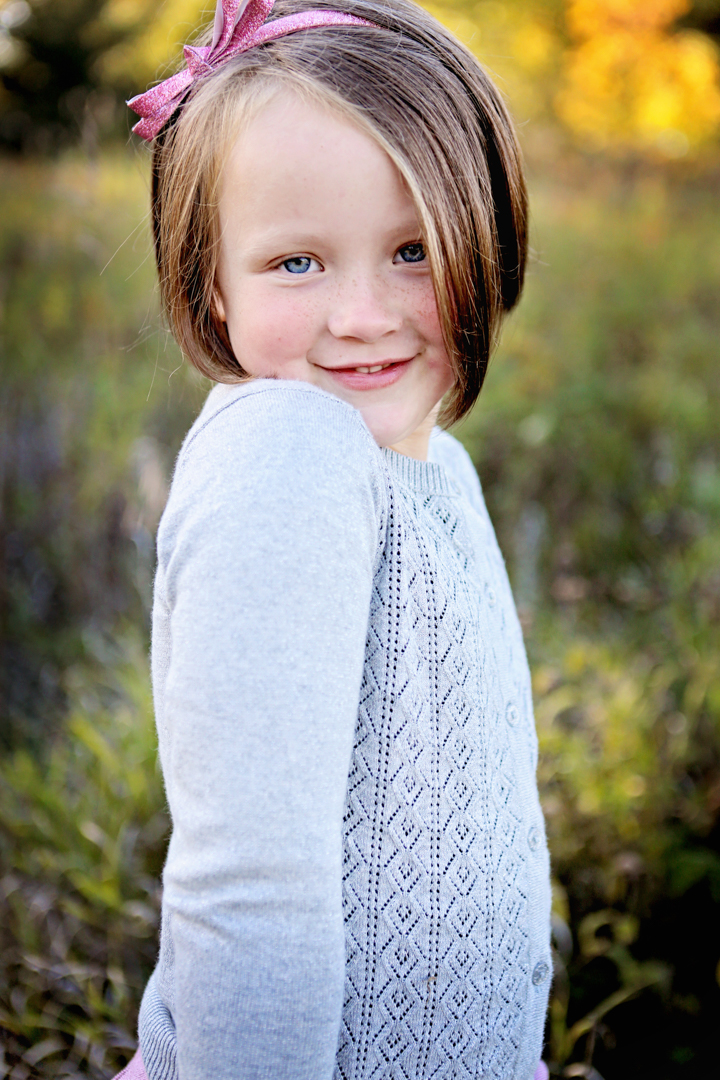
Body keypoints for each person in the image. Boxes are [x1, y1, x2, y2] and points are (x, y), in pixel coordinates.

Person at [119, 0, 553, 1077]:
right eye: (296, 264)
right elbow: (248, 888)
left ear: (483, 237)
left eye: (413, 250)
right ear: (211, 282)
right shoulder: (288, 455)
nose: (362, 314)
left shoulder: (429, 461)